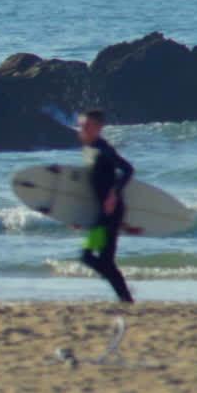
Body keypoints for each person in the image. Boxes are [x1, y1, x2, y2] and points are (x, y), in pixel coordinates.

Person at [77, 109, 134, 303]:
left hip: (111, 212)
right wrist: (77, 215)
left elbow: (127, 169)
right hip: (100, 212)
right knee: (93, 258)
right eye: (81, 126)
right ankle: (124, 294)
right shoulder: (88, 149)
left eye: (87, 126)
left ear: (99, 128)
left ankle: (124, 295)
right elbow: (92, 183)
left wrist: (113, 194)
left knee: (95, 258)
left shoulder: (104, 149)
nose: (82, 129)